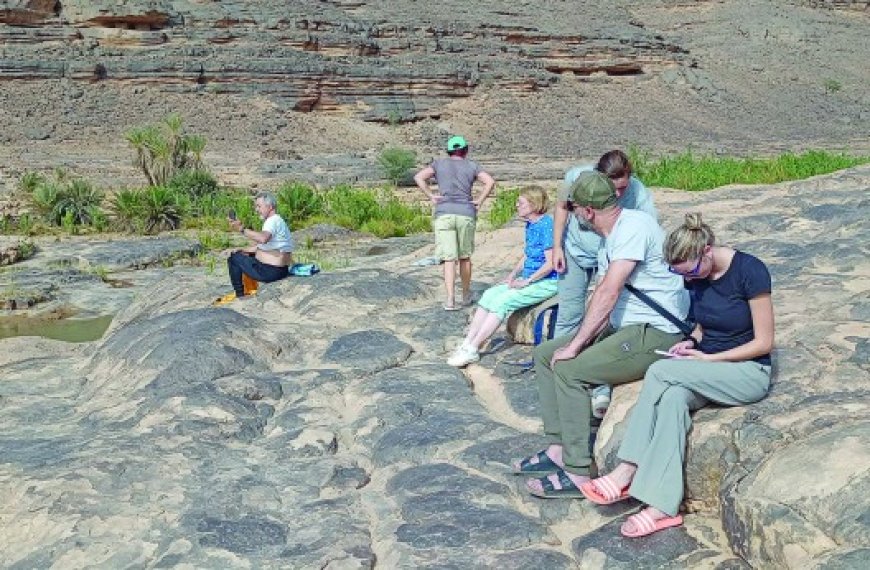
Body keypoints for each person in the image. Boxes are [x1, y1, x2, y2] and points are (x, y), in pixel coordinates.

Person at [579, 213, 774, 538]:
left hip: (747, 372)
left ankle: (627, 468)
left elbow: (764, 342)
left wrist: (709, 359)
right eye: (681, 274)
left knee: (659, 371)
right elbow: (702, 324)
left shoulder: (750, 271)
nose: (688, 278)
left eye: (691, 271)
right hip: (709, 367)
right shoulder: (695, 275)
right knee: (672, 399)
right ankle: (662, 507)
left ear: (707, 250)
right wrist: (690, 343)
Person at [513, 171, 690, 499]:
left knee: (569, 369)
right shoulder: (617, 230)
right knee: (544, 353)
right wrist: (578, 337)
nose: (573, 214)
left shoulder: (632, 230)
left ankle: (578, 471)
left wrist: (578, 343)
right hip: (628, 326)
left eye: (574, 208)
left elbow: (609, 289)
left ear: (587, 212)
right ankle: (559, 446)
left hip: (656, 333)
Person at [553, 150, 658, 417]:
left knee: (606, 317)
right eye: (613, 189)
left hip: (611, 255)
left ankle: (600, 387)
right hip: (575, 252)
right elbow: (561, 207)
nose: (619, 195)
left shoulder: (639, 194)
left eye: (623, 187)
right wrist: (556, 247)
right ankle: (560, 372)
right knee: (569, 314)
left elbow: (648, 227)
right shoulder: (577, 177)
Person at [448, 187, 559, 367]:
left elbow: (551, 263)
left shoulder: (546, 225)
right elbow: (528, 254)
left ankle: (473, 349)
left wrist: (527, 281)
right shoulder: (531, 224)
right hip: (531, 276)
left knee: (502, 302)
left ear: (534, 204)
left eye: (521, 203)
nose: (517, 205)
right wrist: (513, 275)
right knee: (489, 295)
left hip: (547, 281)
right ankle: (467, 342)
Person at [414, 135, 496, 311]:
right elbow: (490, 181)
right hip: (465, 213)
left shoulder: (438, 164)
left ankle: (450, 299)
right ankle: (465, 295)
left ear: (449, 150)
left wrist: (431, 195)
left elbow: (419, 177)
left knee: (449, 258)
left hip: (444, 213)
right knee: (464, 257)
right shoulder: (472, 166)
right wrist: (480, 200)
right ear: (465, 150)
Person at [226, 192, 294, 298]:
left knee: (234, 259)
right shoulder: (278, 221)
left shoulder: (272, 221)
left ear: (270, 207)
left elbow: (263, 239)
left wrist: (242, 229)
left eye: (259, 206)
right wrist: (243, 249)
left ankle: (240, 295)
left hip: (270, 271)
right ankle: (249, 288)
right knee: (240, 254)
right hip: (281, 270)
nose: (257, 210)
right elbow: (262, 246)